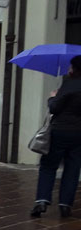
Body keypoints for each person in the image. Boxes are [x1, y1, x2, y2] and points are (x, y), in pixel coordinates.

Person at [31, 55, 81, 218]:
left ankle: (42, 200)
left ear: (74, 69)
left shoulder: (68, 85)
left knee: (48, 165)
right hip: (78, 134)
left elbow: (54, 108)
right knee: (72, 169)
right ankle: (65, 204)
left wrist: (53, 97)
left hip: (59, 131)